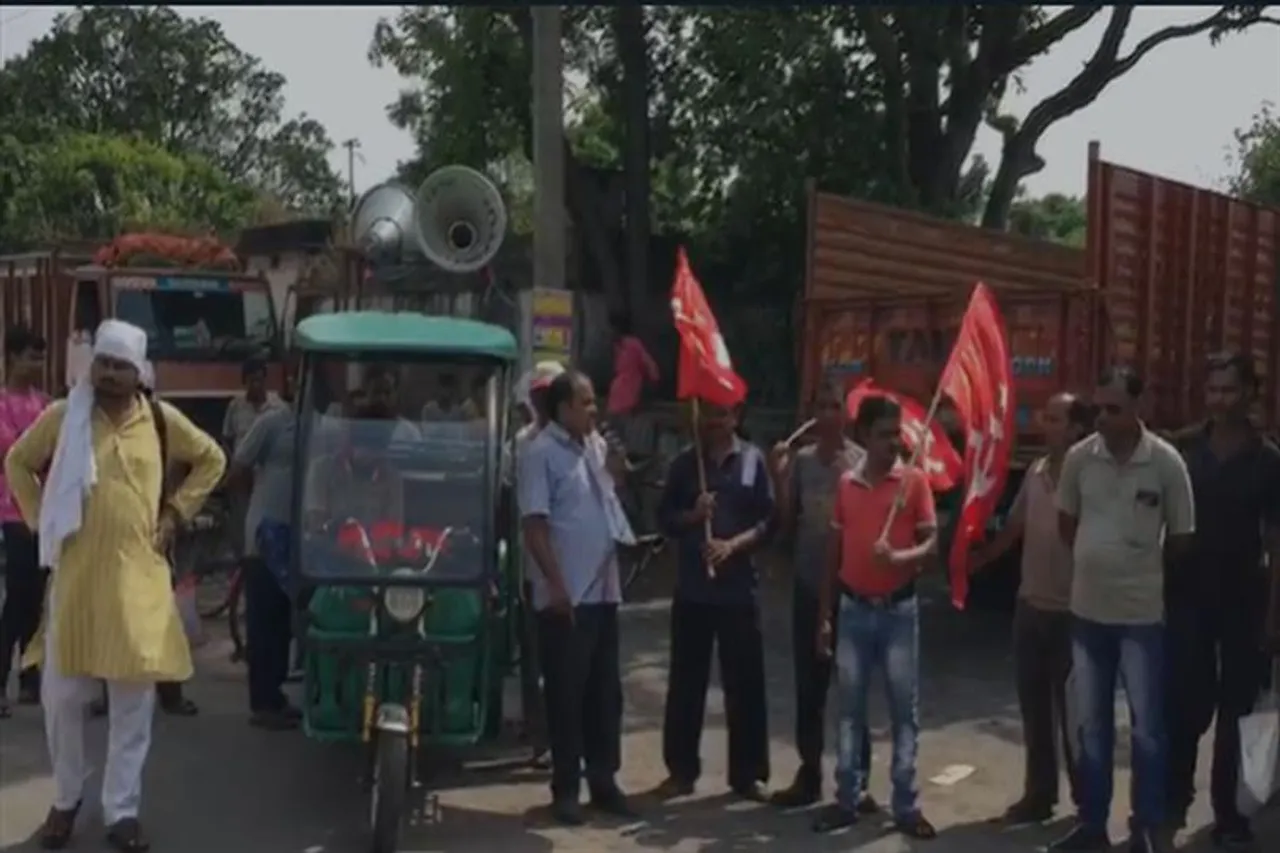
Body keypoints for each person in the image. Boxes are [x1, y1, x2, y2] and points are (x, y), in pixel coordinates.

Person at [6, 319, 226, 852]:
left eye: (119, 366)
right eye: (102, 363)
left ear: (139, 372)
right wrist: (42, 523)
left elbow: (212, 460)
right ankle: (65, 801)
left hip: (138, 587)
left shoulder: (159, 420)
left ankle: (121, 811)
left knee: (132, 705)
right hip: (77, 582)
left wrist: (175, 513)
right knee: (62, 701)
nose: (108, 374)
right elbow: (17, 463)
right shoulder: (65, 416)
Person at [1051, 367, 1195, 853]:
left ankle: (1145, 830)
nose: (1102, 419)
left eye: (1113, 409)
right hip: (1088, 614)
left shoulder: (1166, 464)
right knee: (1091, 728)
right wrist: (1101, 561)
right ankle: (1092, 826)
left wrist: (1133, 568)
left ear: (1140, 408)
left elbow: (1180, 539)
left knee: (1148, 730)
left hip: (1141, 619)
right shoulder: (1079, 460)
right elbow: (1067, 524)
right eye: (1098, 409)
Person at [1165, 352, 1280, 848]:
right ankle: (1172, 799)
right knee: (1184, 705)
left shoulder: (1268, 459)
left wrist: (1274, 618)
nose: (1219, 399)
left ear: (1250, 394)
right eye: (1212, 390)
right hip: (1185, 598)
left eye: (1229, 390)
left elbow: (1276, 544)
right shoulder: (1183, 449)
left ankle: (1228, 813)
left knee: (1236, 709)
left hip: (1244, 602)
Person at [812, 395, 938, 838]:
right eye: (884, 434)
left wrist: (900, 555)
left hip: (898, 612)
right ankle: (847, 797)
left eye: (897, 433)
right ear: (864, 435)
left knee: (905, 712)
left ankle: (906, 805)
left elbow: (931, 544)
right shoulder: (847, 484)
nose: (893, 442)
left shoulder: (914, 482)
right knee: (849, 711)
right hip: (853, 610)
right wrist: (825, 614)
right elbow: (834, 551)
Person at [518, 370, 633, 825]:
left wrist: (619, 474)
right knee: (566, 693)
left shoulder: (597, 448)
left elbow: (607, 502)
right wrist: (556, 584)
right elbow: (535, 525)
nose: (593, 410)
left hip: (604, 591)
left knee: (605, 693)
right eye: (585, 403)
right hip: (568, 597)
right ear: (563, 408)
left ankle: (604, 780)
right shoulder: (540, 453)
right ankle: (566, 788)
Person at [971, 393, 1093, 823]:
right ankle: (1039, 795)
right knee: (1035, 709)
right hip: (1031, 607)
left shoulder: (1091, 478)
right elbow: (1014, 529)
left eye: (1056, 418)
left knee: (1076, 716)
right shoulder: (1037, 472)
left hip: (1074, 613)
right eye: (1047, 416)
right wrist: (978, 560)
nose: (1047, 425)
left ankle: (1086, 804)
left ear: (1077, 428)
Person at [653, 399, 775, 803]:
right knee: (686, 685)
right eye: (707, 414)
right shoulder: (686, 465)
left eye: (720, 414)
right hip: (693, 591)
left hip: (739, 591)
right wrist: (692, 515)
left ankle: (747, 775)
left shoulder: (754, 461)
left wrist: (732, 546)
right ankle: (681, 771)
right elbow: (664, 519)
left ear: (735, 417)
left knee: (745, 685)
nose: (712, 422)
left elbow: (768, 523)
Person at [767, 381, 876, 811]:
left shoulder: (861, 464)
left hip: (851, 590)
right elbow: (786, 520)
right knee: (809, 688)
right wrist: (778, 478)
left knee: (852, 687)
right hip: (809, 586)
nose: (829, 414)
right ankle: (808, 773)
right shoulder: (803, 462)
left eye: (836, 406)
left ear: (846, 414)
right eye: (821, 406)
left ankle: (858, 779)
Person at [505, 360, 566, 765]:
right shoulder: (521, 445)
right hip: (532, 567)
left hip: (574, 572)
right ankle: (539, 735)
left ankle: (563, 738)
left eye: (551, 396)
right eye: (539, 396)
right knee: (534, 655)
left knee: (567, 660)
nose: (544, 403)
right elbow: (507, 503)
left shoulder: (581, 441)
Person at [226, 401, 302, 730]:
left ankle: (275, 696)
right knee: (264, 620)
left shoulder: (327, 425)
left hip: (303, 539)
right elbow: (238, 469)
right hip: (266, 536)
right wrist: (249, 518)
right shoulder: (273, 423)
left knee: (285, 622)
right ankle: (263, 702)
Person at [0, 326, 50, 718]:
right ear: (12, 357)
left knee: (36, 597)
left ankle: (31, 677)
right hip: (9, 512)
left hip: (43, 513)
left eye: (40, 357)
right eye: (31, 356)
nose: (37, 365)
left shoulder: (47, 407)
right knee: (17, 598)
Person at [606, 314, 658, 449]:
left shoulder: (631, 344)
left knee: (619, 437)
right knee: (617, 438)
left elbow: (651, 368)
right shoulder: (619, 346)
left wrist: (650, 383)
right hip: (620, 397)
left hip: (625, 398)